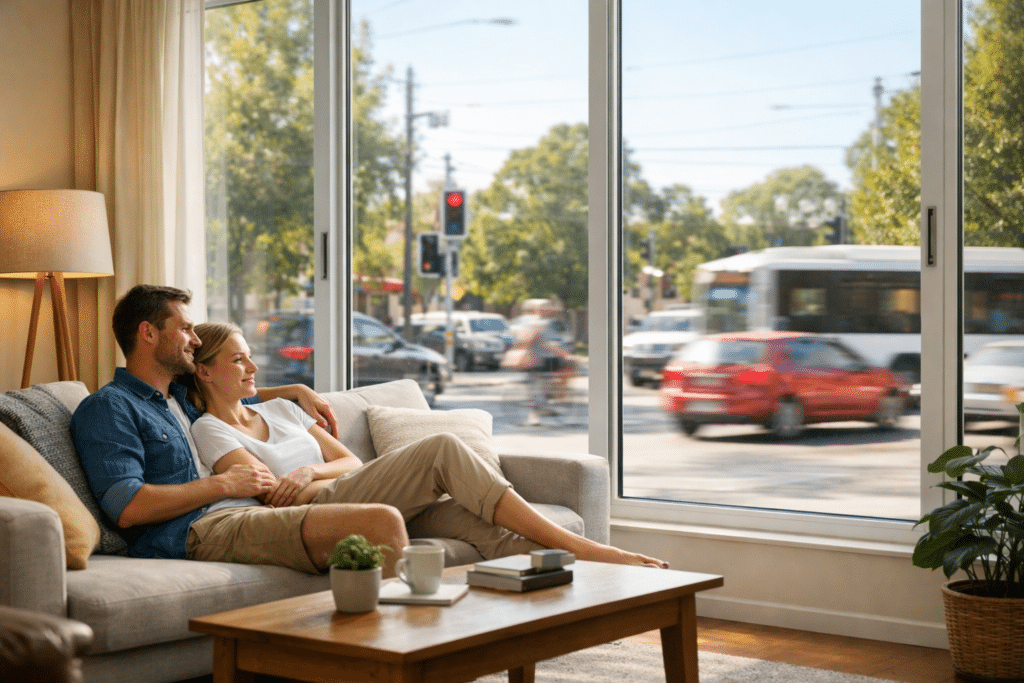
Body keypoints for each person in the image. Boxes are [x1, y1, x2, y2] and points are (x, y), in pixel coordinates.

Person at [185, 321, 668, 569]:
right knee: (440, 449)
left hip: (345, 486)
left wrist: (311, 470)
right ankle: (586, 548)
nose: (252, 367)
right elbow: (271, 494)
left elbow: (350, 460)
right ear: (204, 371)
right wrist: (313, 480)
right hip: (320, 509)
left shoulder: (283, 408)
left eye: (250, 357)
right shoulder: (210, 429)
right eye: (238, 360)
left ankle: (570, 602)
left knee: (481, 526)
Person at [72, 285, 409, 575]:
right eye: (186, 329)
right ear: (148, 333)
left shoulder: (179, 399)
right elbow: (127, 507)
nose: (196, 339)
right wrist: (223, 484)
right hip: (199, 529)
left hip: (249, 512)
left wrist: (293, 389)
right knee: (380, 523)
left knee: (425, 510)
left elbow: (230, 392)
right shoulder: (110, 406)